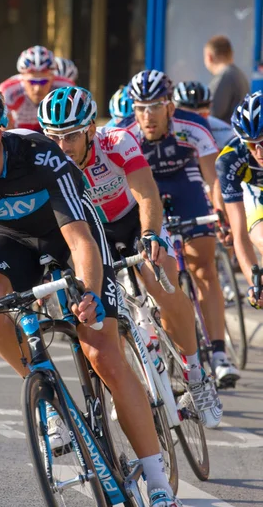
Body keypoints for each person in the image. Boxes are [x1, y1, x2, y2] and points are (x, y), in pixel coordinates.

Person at [0, 81, 183, 507]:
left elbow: (82, 243)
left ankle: (157, 481)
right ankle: (42, 390)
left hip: (70, 234)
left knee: (103, 354)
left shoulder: (40, 156)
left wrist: (90, 294)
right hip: (14, 238)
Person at [38, 84, 223, 428]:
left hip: (134, 221)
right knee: (100, 311)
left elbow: (147, 194)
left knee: (161, 282)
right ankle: (126, 386)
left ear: (91, 129)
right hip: (94, 235)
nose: (62, 147)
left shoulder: (116, 142)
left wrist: (152, 234)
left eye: (71, 136)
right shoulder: (46, 161)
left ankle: (197, 376)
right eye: (54, 137)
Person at [118, 69, 240, 387]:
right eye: (140, 107)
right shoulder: (124, 133)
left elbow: (213, 179)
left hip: (185, 182)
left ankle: (218, 353)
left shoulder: (193, 125)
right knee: (155, 271)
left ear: (170, 106)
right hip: (146, 188)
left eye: (155, 106)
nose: (147, 115)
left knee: (203, 265)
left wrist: (220, 214)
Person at [216, 91, 263, 308]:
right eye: (252, 144)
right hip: (255, 192)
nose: (259, 152)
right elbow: (240, 234)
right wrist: (255, 284)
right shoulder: (230, 159)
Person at [0, 45, 72, 131]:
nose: (37, 88)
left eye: (44, 82)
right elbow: (5, 131)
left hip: (49, 131)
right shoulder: (8, 90)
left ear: (52, 78)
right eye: (32, 82)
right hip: (18, 131)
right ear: (22, 78)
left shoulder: (65, 86)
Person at [173, 81, 234, 151]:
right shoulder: (164, 129)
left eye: (201, 115)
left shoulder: (224, 130)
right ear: (172, 109)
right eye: (188, 116)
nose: (195, 121)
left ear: (210, 107)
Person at [203, 35, 249, 124]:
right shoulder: (239, 74)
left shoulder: (225, 77)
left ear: (209, 57)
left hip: (226, 135)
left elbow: (213, 113)